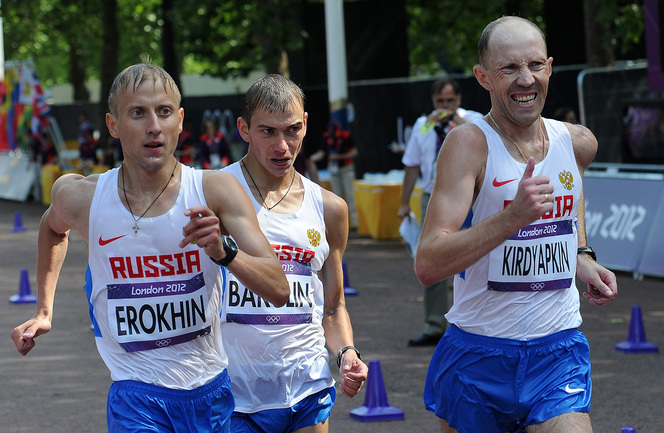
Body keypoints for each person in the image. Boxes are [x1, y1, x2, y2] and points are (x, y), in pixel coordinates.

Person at [10, 63, 290, 433]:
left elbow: (279, 289)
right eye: (138, 113)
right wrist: (44, 310)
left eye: (164, 111)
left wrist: (225, 252)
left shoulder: (214, 190)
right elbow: (51, 228)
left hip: (208, 390)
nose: (154, 126)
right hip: (135, 394)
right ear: (113, 125)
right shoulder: (81, 197)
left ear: (180, 120)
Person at [415, 17, 618, 433]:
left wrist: (581, 253)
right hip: (478, 354)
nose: (526, 79)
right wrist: (512, 219)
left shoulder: (578, 143)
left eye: (535, 65)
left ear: (549, 67)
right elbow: (428, 263)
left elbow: (572, 197)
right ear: (483, 77)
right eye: (509, 68)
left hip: (557, 352)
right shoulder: (469, 144)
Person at [220, 74, 368, 433]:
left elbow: (332, 307)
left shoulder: (330, 208)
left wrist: (347, 353)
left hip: (307, 386)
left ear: (305, 125)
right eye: (267, 132)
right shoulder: (214, 195)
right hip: (235, 396)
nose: (282, 146)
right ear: (244, 129)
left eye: (291, 130)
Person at [398, 78, 483, 347]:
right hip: (431, 196)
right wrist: (403, 202)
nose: (444, 107)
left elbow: (489, 141)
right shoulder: (424, 125)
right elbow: (411, 164)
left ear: (458, 100)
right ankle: (434, 324)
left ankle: (474, 322)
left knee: (475, 257)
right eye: (440, 102)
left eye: (449, 101)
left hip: (470, 196)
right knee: (431, 259)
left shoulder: (474, 119)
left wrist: (455, 118)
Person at [312, 120, 358, 229]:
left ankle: (355, 224)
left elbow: (354, 152)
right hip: (333, 170)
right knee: (337, 196)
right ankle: (341, 226)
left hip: (346, 168)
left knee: (351, 196)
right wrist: (310, 159)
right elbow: (321, 153)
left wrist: (340, 157)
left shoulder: (345, 135)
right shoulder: (326, 137)